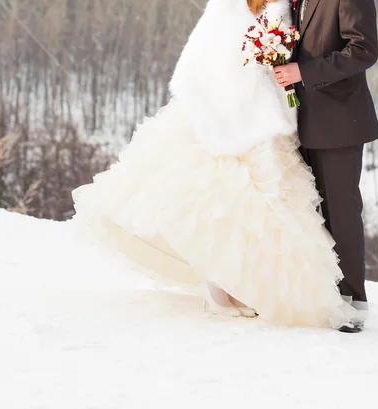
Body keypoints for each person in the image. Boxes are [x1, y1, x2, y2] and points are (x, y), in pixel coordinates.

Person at [71, 0, 360, 330]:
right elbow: (212, 49)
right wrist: (238, 95)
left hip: (271, 109)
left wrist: (278, 64)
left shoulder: (286, 2)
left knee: (251, 211)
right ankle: (219, 294)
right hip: (234, 108)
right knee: (220, 202)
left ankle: (237, 289)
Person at [273, 0, 378, 332]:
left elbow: (363, 50)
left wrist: (303, 72)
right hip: (298, 121)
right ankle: (318, 297)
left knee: (341, 214)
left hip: (340, 123)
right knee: (310, 214)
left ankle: (352, 307)